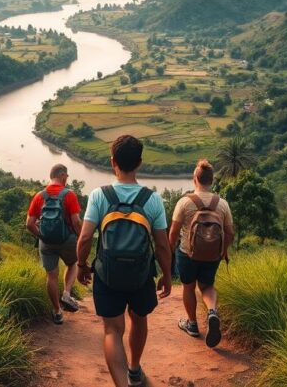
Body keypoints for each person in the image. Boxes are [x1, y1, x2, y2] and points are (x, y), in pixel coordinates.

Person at [77, 135, 172, 387]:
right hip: (141, 276)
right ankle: (134, 369)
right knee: (139, 318)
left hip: (107, 274)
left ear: (112, 162)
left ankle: (121, 383)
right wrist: (167, 275)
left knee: (112, 331)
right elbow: (162, 244)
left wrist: (82, 265)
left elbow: (85, 237)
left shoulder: (100, 196)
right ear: (139, 163)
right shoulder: (151, 199)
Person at [168, 159, 235, 348]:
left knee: (188, 287)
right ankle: (212, 311)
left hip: (187, 253)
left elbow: (173, 232)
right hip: (212, 255)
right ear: (211, 180)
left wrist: (170, 252)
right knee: (207, 286)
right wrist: (223, 251)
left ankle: (192, 324)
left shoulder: (184, 202)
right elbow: (230, 232)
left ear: (195, 179)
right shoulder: (222, 204)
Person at [26, 163, 83, 324]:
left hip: (46, 242)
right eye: (67, 176)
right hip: (67, 240)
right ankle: (66, 293)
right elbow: (76, 221)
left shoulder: (39, 196)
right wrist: (81, 238)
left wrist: (42, 236)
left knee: (51, 276)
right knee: (73, 263)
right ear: (63, 175)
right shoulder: (69, 194)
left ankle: (57, 312)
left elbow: (29, 224)